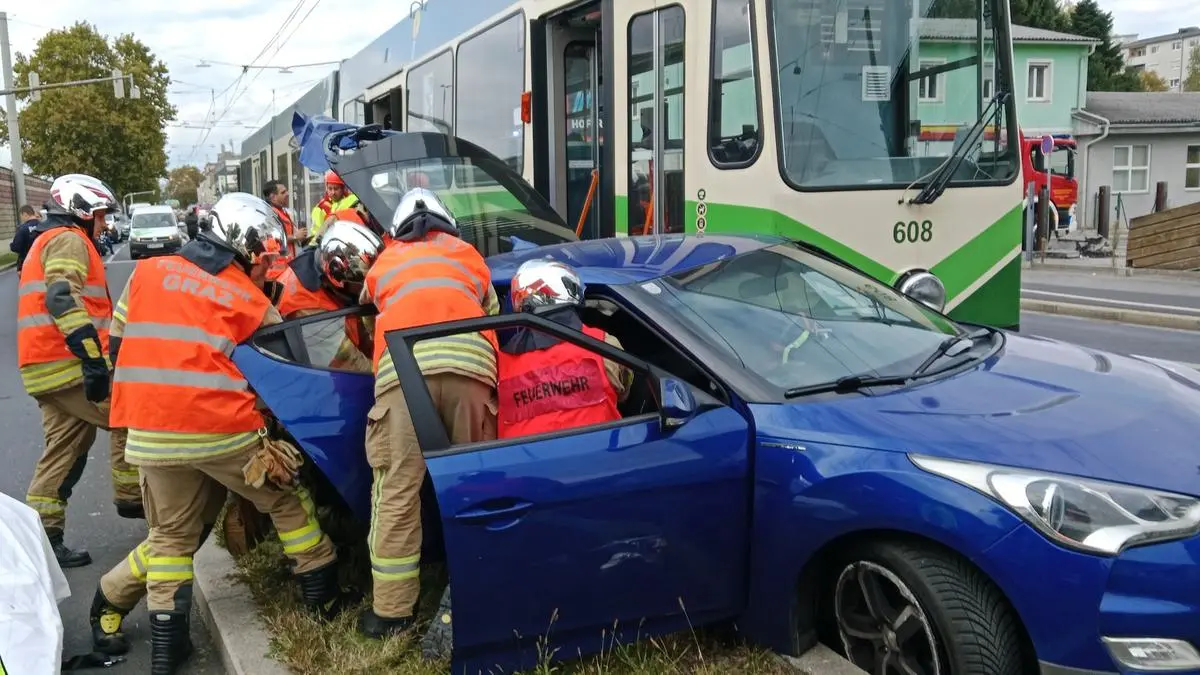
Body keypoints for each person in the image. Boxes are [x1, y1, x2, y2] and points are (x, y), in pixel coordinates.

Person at [109, 192, 343, 673]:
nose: (266, 269)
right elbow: (280, 373)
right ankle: (322, 597)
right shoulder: (248, 299)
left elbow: (117, 341)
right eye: (263, 260)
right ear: (241, 250)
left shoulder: (147, 273)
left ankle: (166, 650)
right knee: (286, 500)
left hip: (147, 429)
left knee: (170, 536)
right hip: (221, 428)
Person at [357, 188, 499, 638]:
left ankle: (391, 613)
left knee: (397, 490)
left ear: (397, 230)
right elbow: (492, 313)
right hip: (470, 369)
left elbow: (366, 316)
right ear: (448, 225)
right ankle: (479, 592)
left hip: (403, 372)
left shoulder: (384, 262)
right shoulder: (470, 258)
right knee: (475, 486)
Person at [16, 173, 142, 569]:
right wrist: (92, 359)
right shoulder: (69, 240)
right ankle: (132, 498)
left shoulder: (46, 240)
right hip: (67, 365)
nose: (104, 224)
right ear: (83, 213)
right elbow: (61, 297)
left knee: (65, 450)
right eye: (101, 216)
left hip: (43, 366)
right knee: (129, 413)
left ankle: (43, 542)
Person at [497, 260, 632, 438]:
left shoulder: (500, 363)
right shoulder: (603, 344)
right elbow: (626, 391)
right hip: (598, 450)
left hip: (523, 456)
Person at [271, 218, 382, 370]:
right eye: (362, 284)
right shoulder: (308, 308)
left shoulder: (320, 269)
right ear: (338, 275)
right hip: (312, 378)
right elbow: (353, 366)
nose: (367, 290)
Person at [309, 170, 359, 240]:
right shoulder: (320, 208)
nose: (333, 192)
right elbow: (316, 235)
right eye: (330, 189)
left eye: (336, 189)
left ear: (343, 189)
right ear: (326, 188)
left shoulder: (349, 201)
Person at [263, 179, 307, 257]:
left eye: (286, 191)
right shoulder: (271, 213)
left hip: (289, 260)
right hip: (281, 262)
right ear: (273, 197)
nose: (287, 194)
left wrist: (300, 237)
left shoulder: (281, 211)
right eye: (283, 192)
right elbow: (272, 238)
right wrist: (295, 236)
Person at [10, 203, 42, 272]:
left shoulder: (22, 228)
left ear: (25, 214)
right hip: (43, 261)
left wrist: (11, 245)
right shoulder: (43, 225)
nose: (22, 219)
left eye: (21, 216)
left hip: (27, 262)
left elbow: (16, 247)